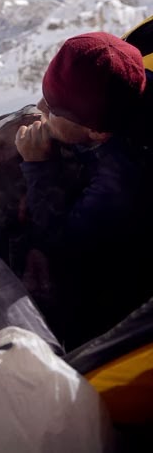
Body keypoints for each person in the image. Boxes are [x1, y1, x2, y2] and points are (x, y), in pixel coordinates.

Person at [15, 31, 153, 349]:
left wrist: (38, 166)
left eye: (53, 110)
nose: (40, 108)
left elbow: (62, 242)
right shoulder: (124, 87)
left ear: (96, 132)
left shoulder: (121, 180)